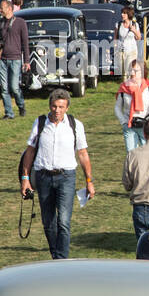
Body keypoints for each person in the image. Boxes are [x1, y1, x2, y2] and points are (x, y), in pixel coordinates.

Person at [18, 88, 94, 260]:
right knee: (48, 222)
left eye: (61, 107)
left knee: (64, 222)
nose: (57, 110)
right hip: (43, 176)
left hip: (66, 177)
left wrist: (89, 180)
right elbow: (30, 152)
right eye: (54, 106)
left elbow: (82, 153)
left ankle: (62, 260)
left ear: (67, 108)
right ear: (50, 106)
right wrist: (25, 179)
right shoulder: (40, 123)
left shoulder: (75, 125)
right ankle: (56, 256)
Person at [0, 0, 29, 119]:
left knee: (14, 87)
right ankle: (9, 113)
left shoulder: (20, 22)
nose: (0, 10)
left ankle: (21, 105)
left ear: (9, 8)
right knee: (4, 88)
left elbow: (25, 43)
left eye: (1, 8)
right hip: (3, 58)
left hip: (16, 59)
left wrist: (27, 61)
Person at [114, 61, 149, 152]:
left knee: (148, 154)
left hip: (146, 127)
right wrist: (124, 122)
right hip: (130, 126)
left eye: (135, 70)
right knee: (131, 155)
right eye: (131, 70)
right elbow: (117, 108)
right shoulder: (123, 88)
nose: (132, 73)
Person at [116, 5, 142, 74]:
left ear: (128, 14)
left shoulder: (135, 24)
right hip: (121, 51)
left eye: (124, 13)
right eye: (122, 13)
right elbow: (115, 39)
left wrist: (134, 30)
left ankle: (129, 83)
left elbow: (139, 38)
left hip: (131, 51)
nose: (122, 14)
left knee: (129, 69)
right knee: (123, 71)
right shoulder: (118, 24)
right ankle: (125, 83)